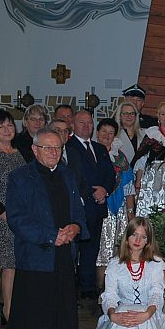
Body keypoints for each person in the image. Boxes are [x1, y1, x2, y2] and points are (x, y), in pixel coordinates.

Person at [2, 127, 88, 329]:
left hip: (64, 255)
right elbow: (17, 218)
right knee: (36, 317)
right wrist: (51, 236)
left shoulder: (67, 174)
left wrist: (75, 227)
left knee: (63, 312)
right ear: (34, 150)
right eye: (47, 148)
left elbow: (77, 210)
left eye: (57, 148)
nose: (53, 152)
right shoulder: (20, 177)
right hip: (36, 255)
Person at [66, 110, 116, 299]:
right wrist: (92, 192)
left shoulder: (100, 148)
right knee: (73, 250)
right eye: (82, 122)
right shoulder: (68, 147)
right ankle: (70, 288)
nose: (86, 126)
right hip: (78, 207)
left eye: (89, 122)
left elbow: (110, 175)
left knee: (91, 248)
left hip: (97, 207)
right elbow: (72, 176)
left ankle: (87, 287)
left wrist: (105, 190)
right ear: (72, 125)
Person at [0, 110, 27, 329]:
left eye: (10, 125)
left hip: (19, 216)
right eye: (1, 126)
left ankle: (9, 308)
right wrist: (0, 211)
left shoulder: (22, 153)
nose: (6, 130)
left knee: (12, 264)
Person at [95, 118, 135, 292]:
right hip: (100, 208)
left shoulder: (120, 157)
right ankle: (101, 290)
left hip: (119, 210)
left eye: (111, 132)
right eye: (104, 131)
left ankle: (119, 290)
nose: (107, 135)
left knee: (120, 250)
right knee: (102, 250)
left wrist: (130, 212)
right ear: (97, 133)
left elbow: (128, 186)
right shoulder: (92, 154)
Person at [114, 101, 146, 166]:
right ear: (119, 116)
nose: (129, 116)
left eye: (132, 113)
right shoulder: (114, 135)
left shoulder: (145, 133)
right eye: (125, 113)